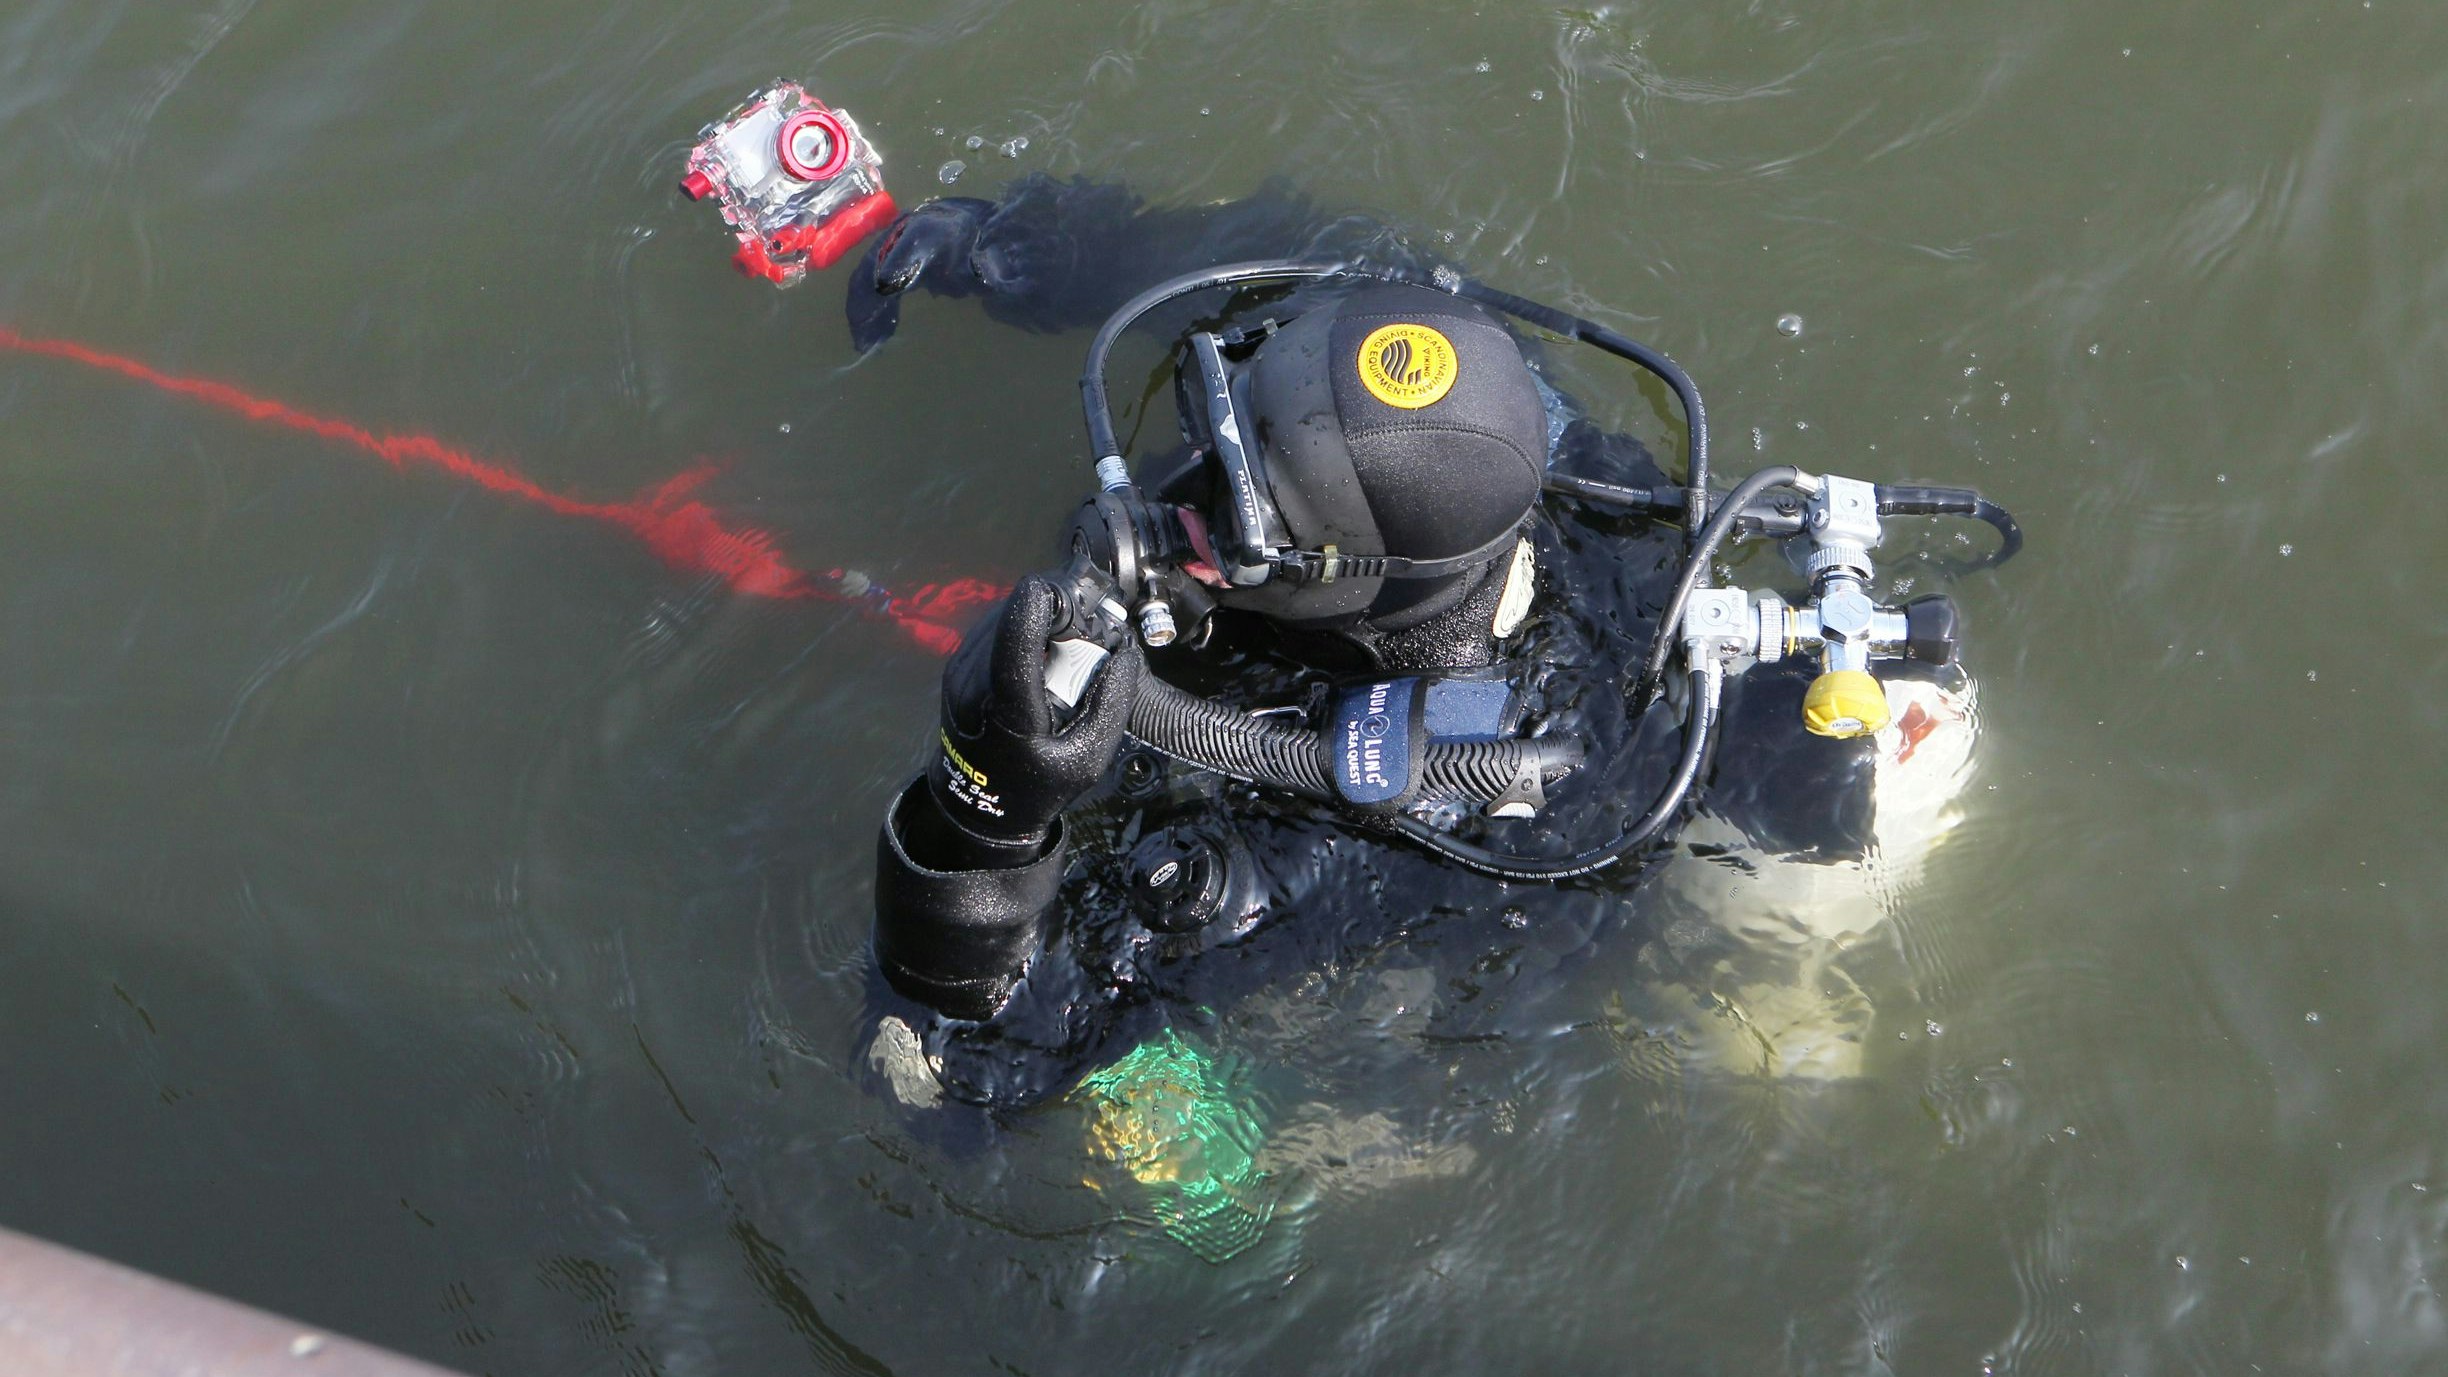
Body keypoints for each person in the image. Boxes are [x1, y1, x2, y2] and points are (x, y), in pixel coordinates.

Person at [849, 177, 1984, 1111]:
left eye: (1236, 519)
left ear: (1347, 579)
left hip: (1475, 897)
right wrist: (1000, 246)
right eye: (1225, 403)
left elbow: (952, 1078)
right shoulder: (1454, 384)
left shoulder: (1370, 817)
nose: (1177, 503)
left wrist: (983, 810)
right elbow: (1283, 246)